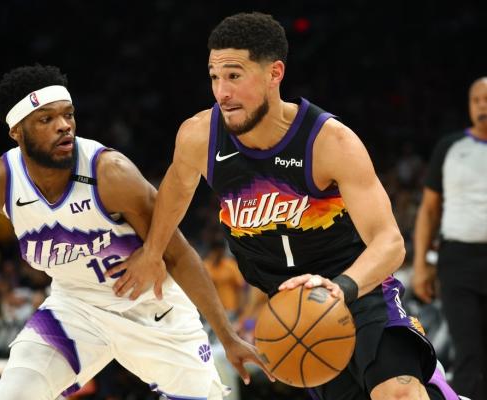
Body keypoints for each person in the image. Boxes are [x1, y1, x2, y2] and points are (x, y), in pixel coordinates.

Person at [106, 12, 462, 400]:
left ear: (274, 73)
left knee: (399, 394)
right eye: (214, 77)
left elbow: (390, 243)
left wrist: (340, 289)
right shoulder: (199, 137)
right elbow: (174, 193)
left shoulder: (329, 142)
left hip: (358, 291)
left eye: (234, 76)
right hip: (293, 312)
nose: (222, 92)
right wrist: (152, 252)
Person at [0, 64, 271, 400]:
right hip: (76, 308)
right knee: (17, 392)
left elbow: (180, 253)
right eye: (46, 119)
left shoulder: (110, 173)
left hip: (153, 310)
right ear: (17, 132)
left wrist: (227, 336)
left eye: (68, 114)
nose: (63, 125)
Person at [413, 77, 487, 399]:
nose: (482, 105)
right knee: (469, 352)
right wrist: (420, 265)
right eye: (476, 100)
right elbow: (429, 210)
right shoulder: (450, 147)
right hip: (458, 261)